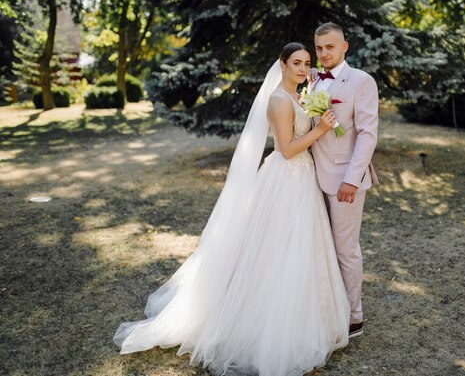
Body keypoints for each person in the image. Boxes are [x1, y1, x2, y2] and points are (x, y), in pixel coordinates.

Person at [113, 43, 350, 376]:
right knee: (273, 249)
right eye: (296, 63)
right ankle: (261, 324)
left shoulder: (302, 96)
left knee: (300, 249)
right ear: (281, 65)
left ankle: (301, 317)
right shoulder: (280, 101)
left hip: (303, 180)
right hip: (285, 178)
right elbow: (285, 150)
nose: (302, 68)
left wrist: (320, 115)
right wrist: (321, 130)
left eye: (306, 62)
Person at [309, 22, 379, 338]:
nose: (324, 53)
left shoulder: (361, 82)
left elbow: (367, 134)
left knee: (345, 250)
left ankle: (354, 317)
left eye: (330, 47)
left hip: (343, 181)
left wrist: (352, 179)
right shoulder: (311, 82)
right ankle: (327, 307)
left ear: (344, 47)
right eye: (320, 48)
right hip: (311, 177)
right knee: (320, 247)